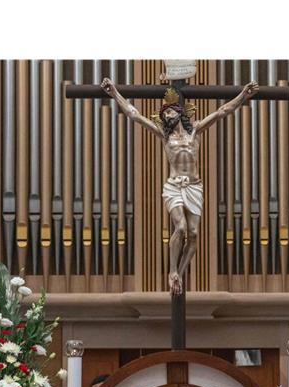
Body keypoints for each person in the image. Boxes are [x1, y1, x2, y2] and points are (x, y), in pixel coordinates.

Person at [102, 77, 258, 294]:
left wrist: (244, 95)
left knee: (193, 234)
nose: (166, 115)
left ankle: (179, 274)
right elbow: (134, 115)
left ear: (180, 112)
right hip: (174, 186)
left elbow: (222, 111)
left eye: (170, 111)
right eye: (164, 113)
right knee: (181, 227)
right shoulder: (164, 136)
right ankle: (172, 269)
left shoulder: (196, 130)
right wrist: (114, 93)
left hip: (194, 186)